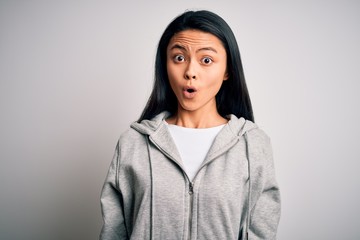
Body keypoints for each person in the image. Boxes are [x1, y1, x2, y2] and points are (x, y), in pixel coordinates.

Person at [100, 10, 281, 240]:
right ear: (165, 66)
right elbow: (114, 233)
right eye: (179, 58)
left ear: (227, 70)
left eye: (206, 60)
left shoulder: (253, 145)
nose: (190, 72)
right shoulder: (133, 143)